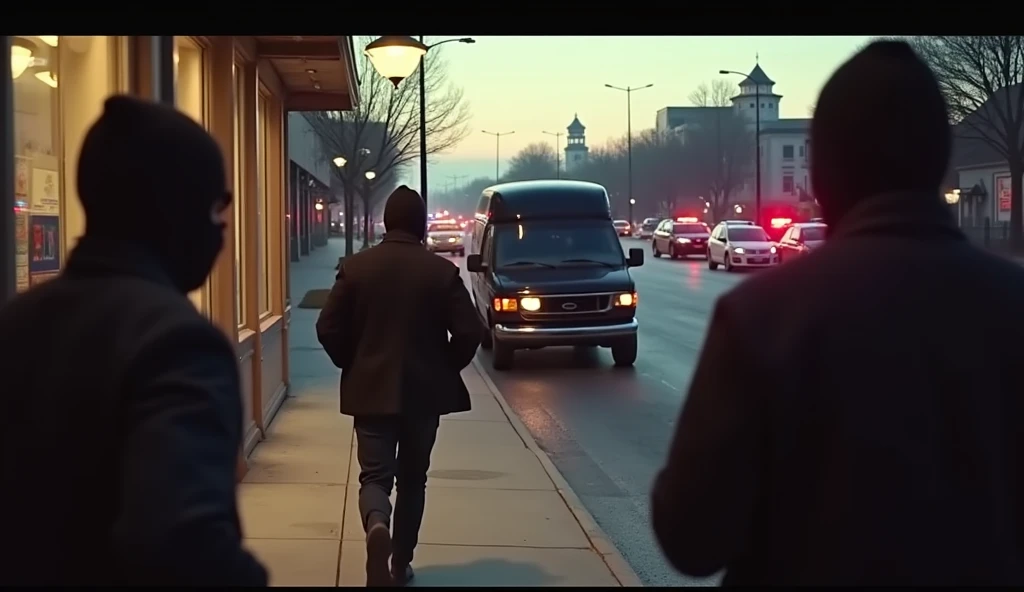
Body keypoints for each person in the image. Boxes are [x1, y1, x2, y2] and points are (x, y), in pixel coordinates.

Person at [651, 40, 1024, 586]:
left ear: (822, 174)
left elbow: (692, 537)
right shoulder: (1010, 306)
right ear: (940, 163)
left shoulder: (762, 318)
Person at [0, 96, 267, 586]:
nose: (222, 232)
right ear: (174, 211)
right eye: (215, 210)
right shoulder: (179, 344)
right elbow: (183, 550)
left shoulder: (16, 322)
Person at [316, 186, 482, 587]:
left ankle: (377, 524)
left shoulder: (356, 268)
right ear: (421, 225)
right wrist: (445, 366)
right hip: (423, 397)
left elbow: (327, 327)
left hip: (370, 392)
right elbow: (470, 331)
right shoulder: (441, 273)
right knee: (413, 480)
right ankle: (399, 563)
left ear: (387, 222)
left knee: (374, 478)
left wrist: (352, 363)